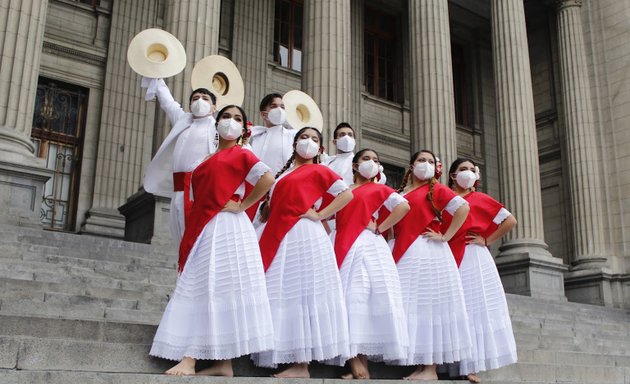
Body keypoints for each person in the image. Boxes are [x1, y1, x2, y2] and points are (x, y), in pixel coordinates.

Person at [150, 105, 275, 377]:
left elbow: (267, 179)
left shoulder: (243, 153)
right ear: (216, 124)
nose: (230, 122)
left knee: (213, 285)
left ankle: (191, 357)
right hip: (206, 227)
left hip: (228, 226)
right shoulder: (202, 160)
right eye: (226, 117)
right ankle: (223, 364)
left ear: (244, 128)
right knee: (204, 285)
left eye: (237, 119)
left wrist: (243, 206)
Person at [253, 127, 353, 378]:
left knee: (302, 291)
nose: (308, 142)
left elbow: (346, 194)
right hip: (280, 234)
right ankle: (284, 351)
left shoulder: (320, 170)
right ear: (295, 142)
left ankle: (301, 364)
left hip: (304, 235)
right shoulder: (284, 173)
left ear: (320, 148)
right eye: (304, 137)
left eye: (315, 139)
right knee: (283, 290)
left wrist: (320, 214)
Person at [392, 150, 472, 381]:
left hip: (428, 250)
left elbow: (462, 208)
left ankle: (430, 369)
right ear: (411, 165)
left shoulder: (436, 189)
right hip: (406, 252)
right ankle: (420, 364)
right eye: (421, 160)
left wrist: (446, 236)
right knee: (413, 305)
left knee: (430, 306)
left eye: (430, 161)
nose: (425, 164)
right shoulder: (402, 191)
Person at [331, 148, 410, 379]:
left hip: (367, 244)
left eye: (376, 160)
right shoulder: (343, 190)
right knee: (350, 298)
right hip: (343, 243)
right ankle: (356, 362)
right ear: (354, 166)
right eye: (366, 159)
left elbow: (403, 206)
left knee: (362, 297)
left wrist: (381, 227)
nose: (372, 163)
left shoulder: (379, 188)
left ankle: (359, 363)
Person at [442, 158, 518, 383]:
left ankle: (470, 365)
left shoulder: (481, 198)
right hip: (448, 254)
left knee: (473, 307)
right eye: (462, 169)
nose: (468, 173)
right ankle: (448, 363)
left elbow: (510, 220)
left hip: (473, 255)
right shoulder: (447, 199)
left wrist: (487, 239)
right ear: (453, 176)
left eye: (472, 170)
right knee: (452, 307)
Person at [142, 77, 218, 244]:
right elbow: (168, 102)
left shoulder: (218, 129)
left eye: (205, 99)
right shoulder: (183, 120)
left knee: (199, 237)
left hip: (201, 189)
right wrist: (157, 77)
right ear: (190, 105)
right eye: (195, 98)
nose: (200, 101)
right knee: (180, 237)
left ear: (214, 107)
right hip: (179, 190)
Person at [248, 93, 297, 176]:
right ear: (264, 114)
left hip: (282, 185)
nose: (279, 110)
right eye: (273, 106)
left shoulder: (294, 136)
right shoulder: (254, 136)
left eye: (282, 107)